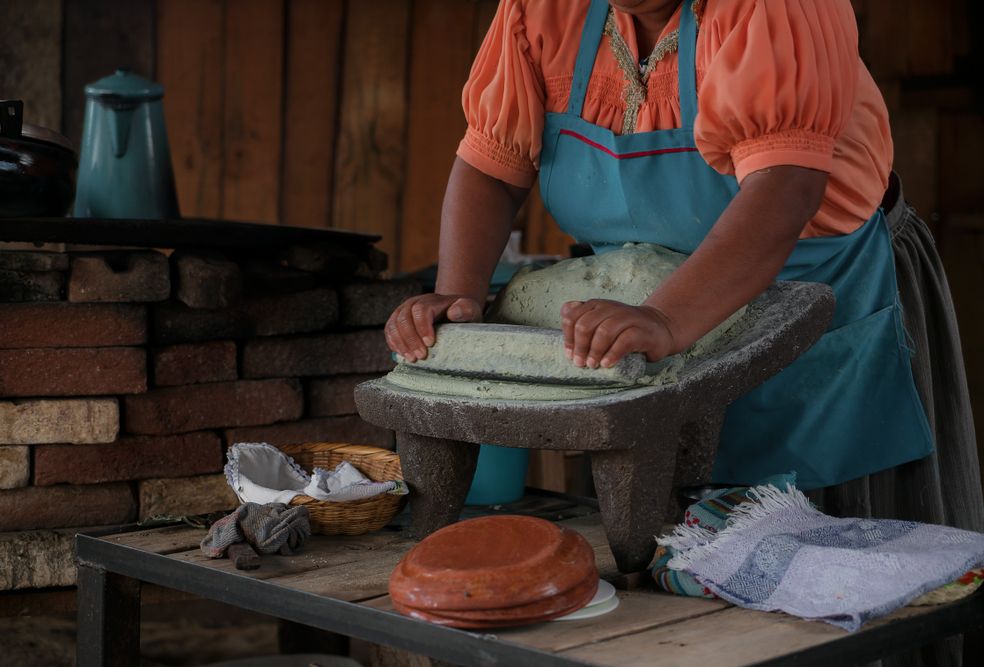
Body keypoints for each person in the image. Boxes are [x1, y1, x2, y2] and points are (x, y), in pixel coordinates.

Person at [385, 2, 983, 656]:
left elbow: (784, 188)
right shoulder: (541, 11)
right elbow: (492, 165)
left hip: (821, 305)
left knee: (826, 603)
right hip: (648, 335)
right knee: (666, 603)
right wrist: (458, 295)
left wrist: (667, 319)